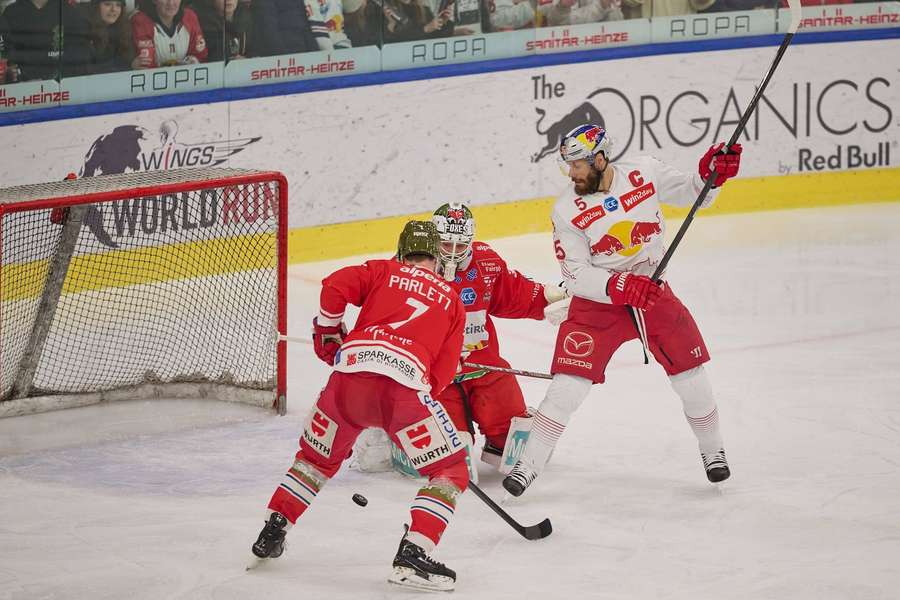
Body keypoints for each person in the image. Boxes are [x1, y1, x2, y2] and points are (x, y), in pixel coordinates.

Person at [502, 123, 742, 497]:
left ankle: (714, 452)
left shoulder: (644, 171)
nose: (573, 173)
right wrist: (619, 285)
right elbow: (576, 274)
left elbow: (694, 195)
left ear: (601, 157)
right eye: (568, 165)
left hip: (652, 292)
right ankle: (527, 465)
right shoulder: (566, 210)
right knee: (567, 388)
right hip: (599, 304)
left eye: (579, 164)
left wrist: (711, 177)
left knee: (691, 378)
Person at [251, 221, 469, 592]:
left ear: (401, 252)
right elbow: (441, 376)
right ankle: (413, 553)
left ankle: (274, 528)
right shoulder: (451, 299)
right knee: (450, 469)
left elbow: (334, 286)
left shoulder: (383, 270)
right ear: (437, 258)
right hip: (403, 392)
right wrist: (408, 411)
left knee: (315, 461)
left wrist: (328, 329)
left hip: (347, 383)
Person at [429, 202, 567, 469]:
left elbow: (512, 292)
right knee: (450, 450)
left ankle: (497, 440)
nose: (455, 253)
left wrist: (550, 298)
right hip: (435, 379)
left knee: (515, 443)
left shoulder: (485, 263)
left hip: (485, 367)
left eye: (462, 245)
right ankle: (389, 432)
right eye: (447, 244)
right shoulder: (414, 266)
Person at [2, 0, 92, 81]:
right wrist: (12, 73)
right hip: (22, 87)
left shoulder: (69, 12)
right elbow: (7, 54)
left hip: (62, 84)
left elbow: (79, 53)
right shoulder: (11, 13)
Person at [130, 0, 207, 69]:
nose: (171, 3)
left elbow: (201, 55)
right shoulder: (140, 21)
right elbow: (146, 65)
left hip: (185, 80)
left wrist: (194, 61)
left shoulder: (189, 17)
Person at [80, 0, 133, 73]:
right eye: (107, 4)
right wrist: (129, 66)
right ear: (96, 6)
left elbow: (125, 59)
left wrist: (133, 63)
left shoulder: (123, 30)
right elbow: (87, 69)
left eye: (118, 5)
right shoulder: (84, 30)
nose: (113, 9)